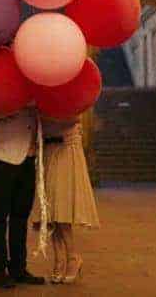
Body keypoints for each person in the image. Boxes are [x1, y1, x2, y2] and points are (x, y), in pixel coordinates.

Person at [32, 116, 99, 284]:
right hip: (47, 149)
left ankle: (72, 257)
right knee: (50, 212)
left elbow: (76, 118)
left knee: (61, 207)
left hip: (66, 149)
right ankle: (59, 259)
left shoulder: (73, 101)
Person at [0, 105, 45, 289]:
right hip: (3, 153)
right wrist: (21, 104)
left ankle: (18, 268)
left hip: (29, 155)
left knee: (20, 215)